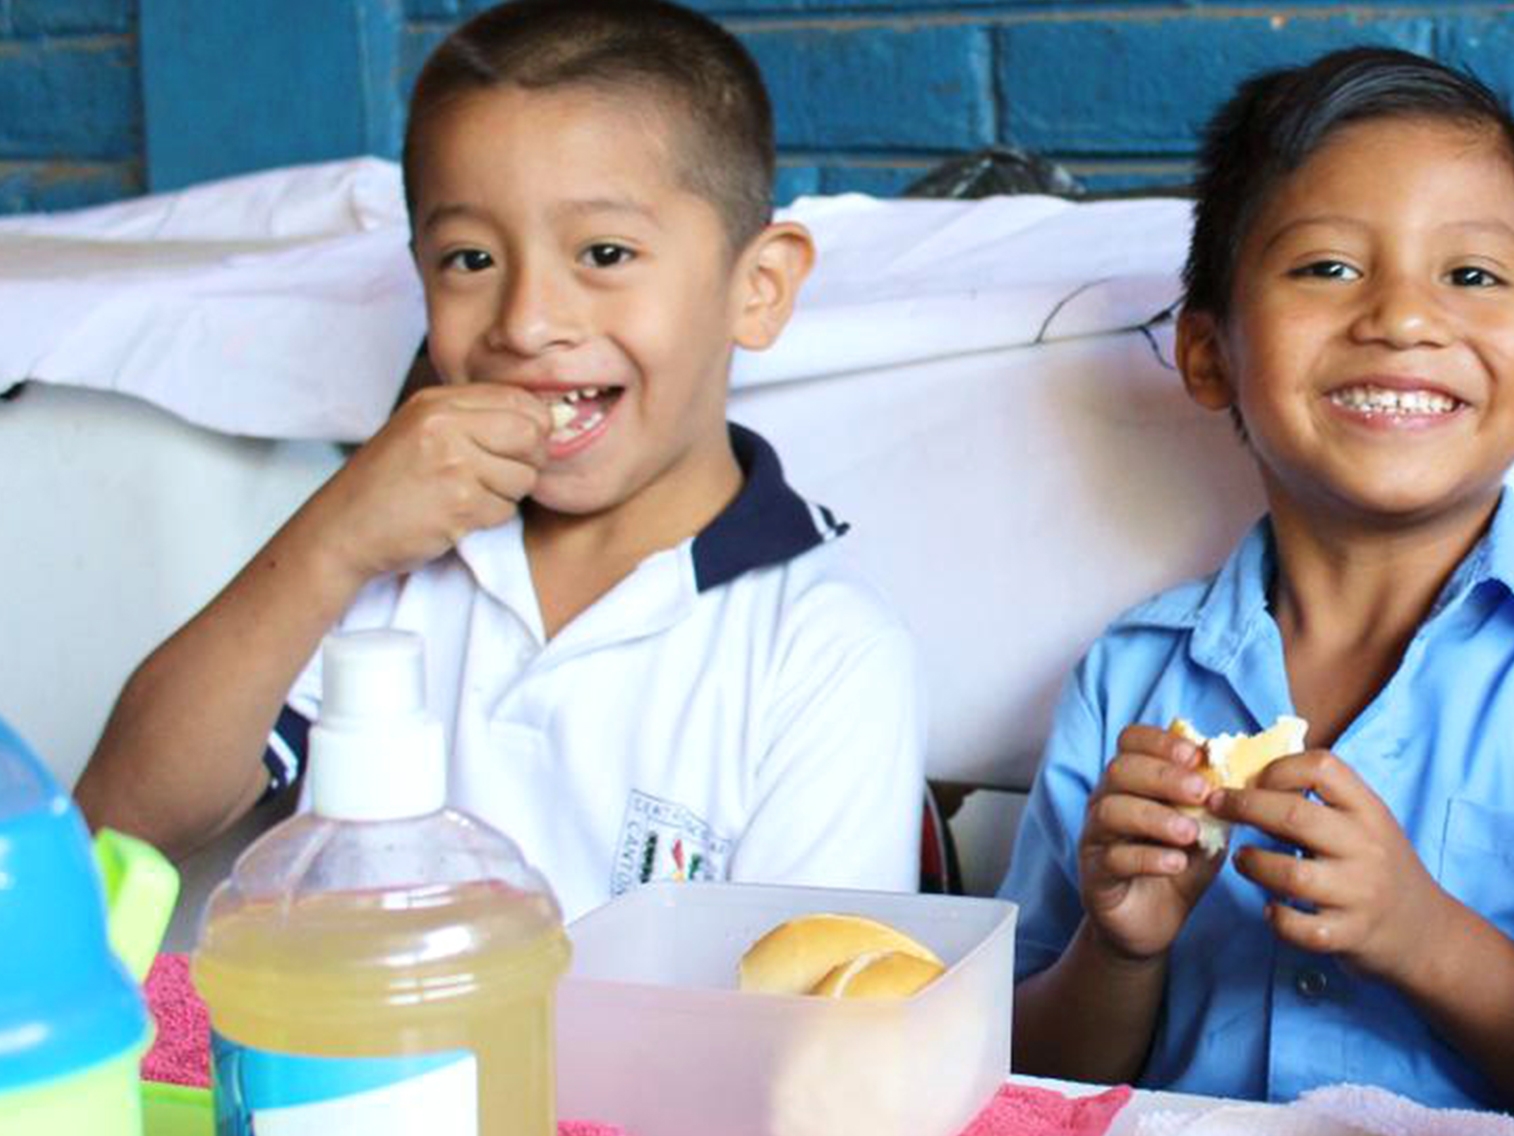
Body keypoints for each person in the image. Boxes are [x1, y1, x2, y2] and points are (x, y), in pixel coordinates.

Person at [998, 47, 1514, 1118]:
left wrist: (1423, 935)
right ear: (1208, 357)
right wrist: (1119, 949)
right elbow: (1024, 1082)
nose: (1399, 317)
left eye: (1471, 275)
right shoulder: (1130, 679)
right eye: (1327, 269)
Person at [75, 0, 923, 919]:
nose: (525, 323)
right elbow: (118, 827)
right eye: (469, 259)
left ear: (755, 290)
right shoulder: (384, 568)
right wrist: (334, 539)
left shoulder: (817, 649)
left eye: (604, 252)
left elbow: (813, 1033)